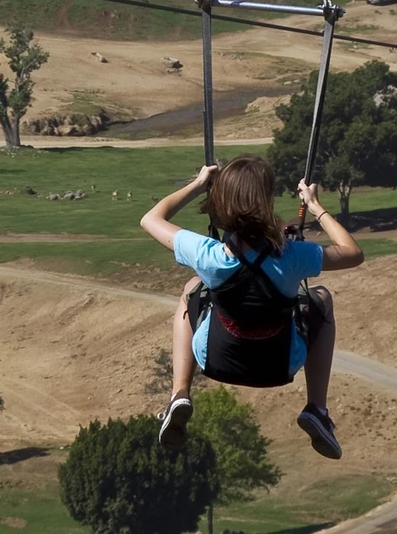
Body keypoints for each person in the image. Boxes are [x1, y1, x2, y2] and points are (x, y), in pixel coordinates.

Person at [139, 155, 364, 460]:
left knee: (191, 289)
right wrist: (314, 206)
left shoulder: (207, 255)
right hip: (279, 363)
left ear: (221, 201)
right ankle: (317, 409)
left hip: (215, 357)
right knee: (322, 298)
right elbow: (353, 253)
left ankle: (180, 393)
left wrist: (199, 184)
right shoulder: (294, 256)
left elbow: (150, 220)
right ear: (267, 200)